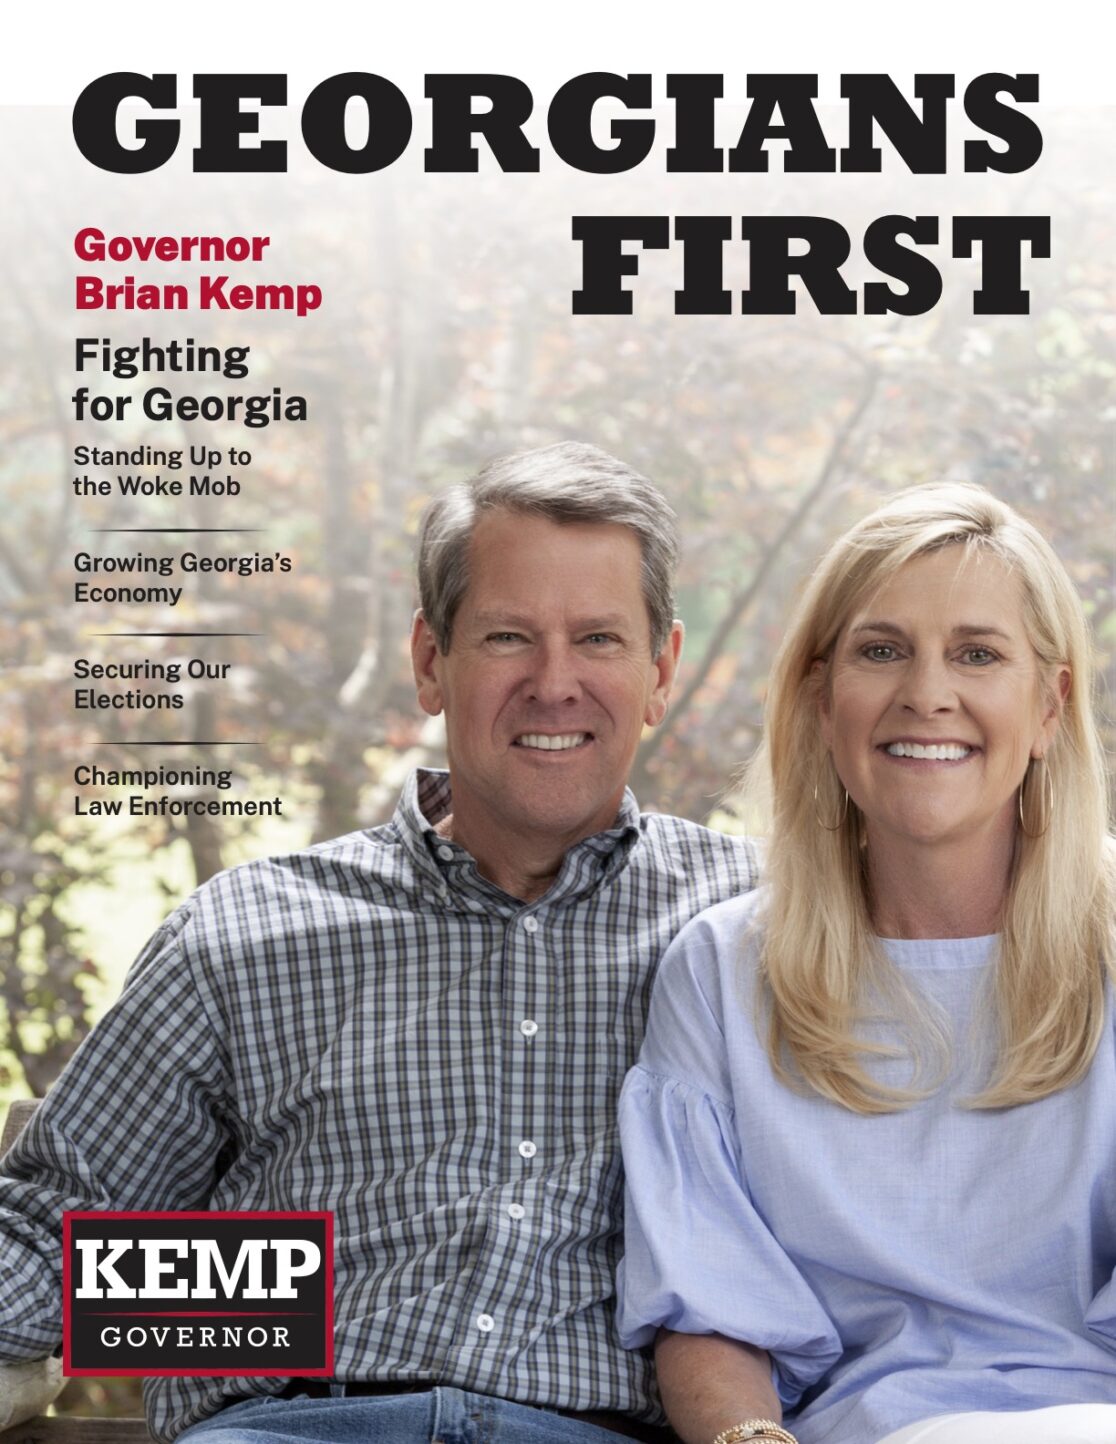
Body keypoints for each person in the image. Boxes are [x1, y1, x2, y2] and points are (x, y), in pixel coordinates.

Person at [0, 442, 759, 1444]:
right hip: (287, 1426)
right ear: (430, 660)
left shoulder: (752, 926)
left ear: (660, 671)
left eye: (600, 640)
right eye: (506, 637)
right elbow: (63, 1231)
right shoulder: (249, 932)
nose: (555, 681)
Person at [617, 483, 1116, 1444]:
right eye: (882, 651)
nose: (928, 693)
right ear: (819, 697)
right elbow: (710, 1312)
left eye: (978, 653)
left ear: (1050, 706)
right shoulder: (722, 973)